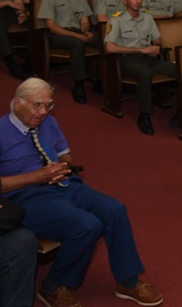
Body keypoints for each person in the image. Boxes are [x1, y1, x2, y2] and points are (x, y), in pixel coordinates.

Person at [0, 78, 163, 306]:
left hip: (65, 184)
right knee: (87, 225)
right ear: (17, 103)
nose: (43, 111)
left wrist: (62, 166)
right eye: (37, 104)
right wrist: (36, 177)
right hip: (27, 196)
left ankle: (128, 280)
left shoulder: (48, 123)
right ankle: (52, 286)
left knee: (115, 210)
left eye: (48, 105)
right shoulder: (1, 132)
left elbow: (65, 155)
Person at [103, 0, 178, 135]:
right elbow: (109, 48)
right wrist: (140, 50)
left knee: (180, 70)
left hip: (149, 57)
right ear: (124, 0)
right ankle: (145, 115)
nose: (138, 1)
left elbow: (157, 39)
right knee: (145, 73)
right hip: (127, 60)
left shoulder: (148, 17)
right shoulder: (116, 20)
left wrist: (156, 47)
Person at [36, 0, 97, 104]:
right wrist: (79, 36)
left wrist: (86, 31)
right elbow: (51, 26)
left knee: (103, 41)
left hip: (77, 31)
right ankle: (79, 84)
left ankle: (102, 80)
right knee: (77, 43)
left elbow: (84, 20)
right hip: (57, 35)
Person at [0, 0, 29, 79]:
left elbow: (17, 0)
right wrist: (6, 2)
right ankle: (10, 62)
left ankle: (31, 59)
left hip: (9, 10)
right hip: (3, 9)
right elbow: (10, 2)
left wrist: (20, 13)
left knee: (34, 20)